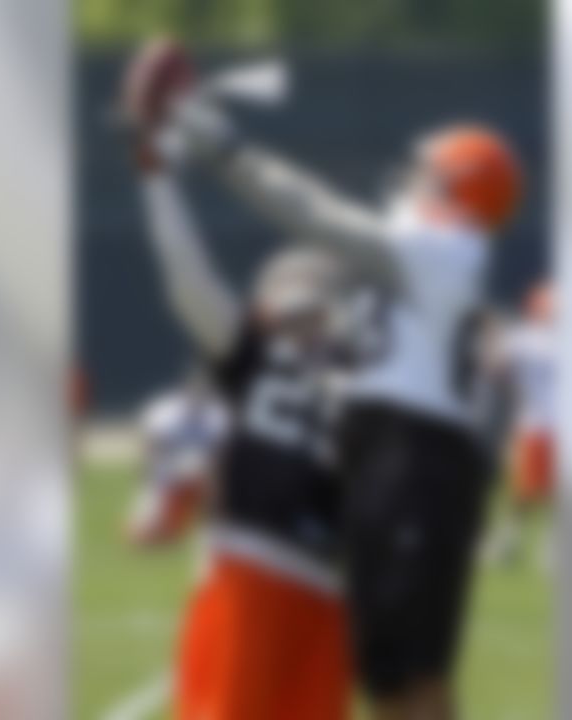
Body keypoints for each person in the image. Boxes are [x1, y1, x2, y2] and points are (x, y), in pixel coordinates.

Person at [135, 40, 525, 718]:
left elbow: (314, 214)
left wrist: (222, 145)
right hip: (397, 464)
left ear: (456, 188)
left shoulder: (444, 249)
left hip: (412, 464)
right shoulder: (434, 275)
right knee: (392, 682)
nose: (410, 182)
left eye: (426, 175)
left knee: (411, 684)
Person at [127, 60, 353, 714]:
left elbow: (187, 282)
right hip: (323, 586)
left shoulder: (259, 353)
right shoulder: (367, 373)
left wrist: (156, 177)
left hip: (251, 568)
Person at [484, 281, 557, 568]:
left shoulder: (569, 338)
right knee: (521, 491)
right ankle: (508, 542)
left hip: (561, 425)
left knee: (558, 493)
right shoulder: (522, 338)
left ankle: (551, 549)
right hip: (532, 421)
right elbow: (498, 372)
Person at [127, 374, 229, 547]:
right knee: (138, 537)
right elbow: (149, 446)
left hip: (203, 477)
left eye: (202, 396)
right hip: (166, 473)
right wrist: (154, 471)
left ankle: (212, 527)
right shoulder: (165, 413)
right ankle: (165, 523)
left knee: (199, 470)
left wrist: (215, 479)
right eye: (194, 395)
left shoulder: (216, 416)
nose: (197, 401)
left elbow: (222, 453)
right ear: (184, 395)